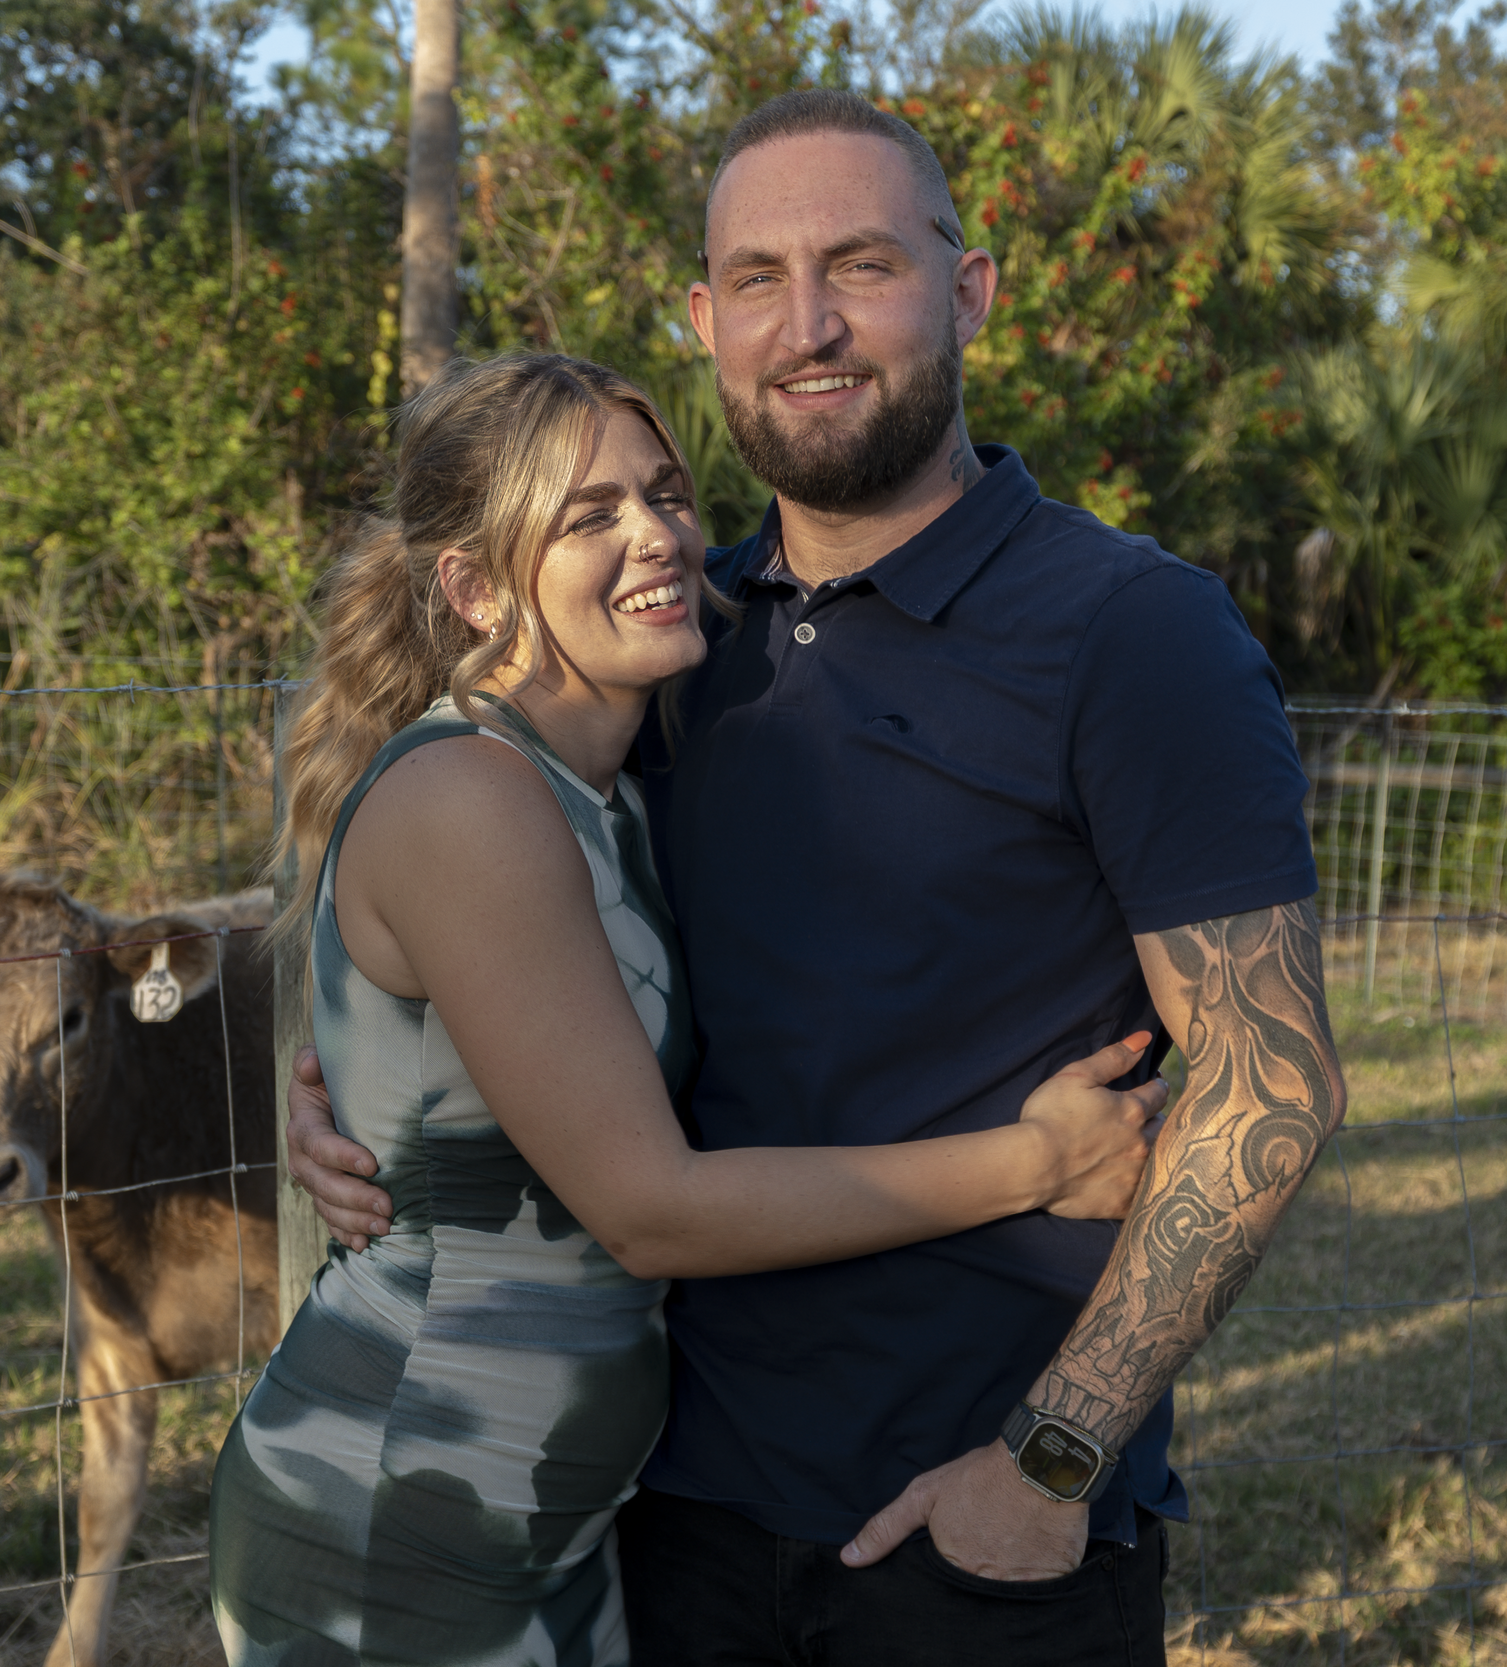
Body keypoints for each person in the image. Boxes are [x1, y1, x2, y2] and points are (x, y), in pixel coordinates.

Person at [285, 92, 1350, 1666]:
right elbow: (471, 913)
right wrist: (359, 1095)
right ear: (704, 321)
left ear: (969, 291)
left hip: (970, 1530)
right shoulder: (670, 640)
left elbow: (1275, 1077)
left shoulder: (1133, 633)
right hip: (659, 1515)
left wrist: (1053, 1458)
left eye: (861, 264)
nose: (809, 327)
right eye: (759, 280)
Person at [208, 350, 1172, 1667]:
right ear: (476, 588)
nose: (657, 535)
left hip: (554, 1523)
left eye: (664, 493)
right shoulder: (473, 799)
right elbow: (650, 1208)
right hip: (400, 1509)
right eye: (588, 515)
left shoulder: (607, 788)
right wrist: (1037, 1162)